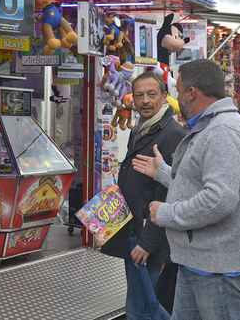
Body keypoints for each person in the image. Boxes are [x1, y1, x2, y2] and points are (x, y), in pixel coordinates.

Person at [132, 59, 240, 320]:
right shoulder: (210, 127)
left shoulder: (222, 130)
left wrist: (167, 213)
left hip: (218, 268)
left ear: (193, 92)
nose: (178, 98)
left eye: (179, 91)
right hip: (200, 262)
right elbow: (199, 184)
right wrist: (164, 174)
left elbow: (219, 199)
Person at [99, 71, 185, 320]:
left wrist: (148, 242)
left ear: (165, 97)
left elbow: (170, 193)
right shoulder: (143, 129)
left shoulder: (171, 134)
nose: (145, 101)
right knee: (139, 304)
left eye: (152, 94)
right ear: (132, 100)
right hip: (134, 229)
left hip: (151, 240)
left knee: (147, 307)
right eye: (139, 96)